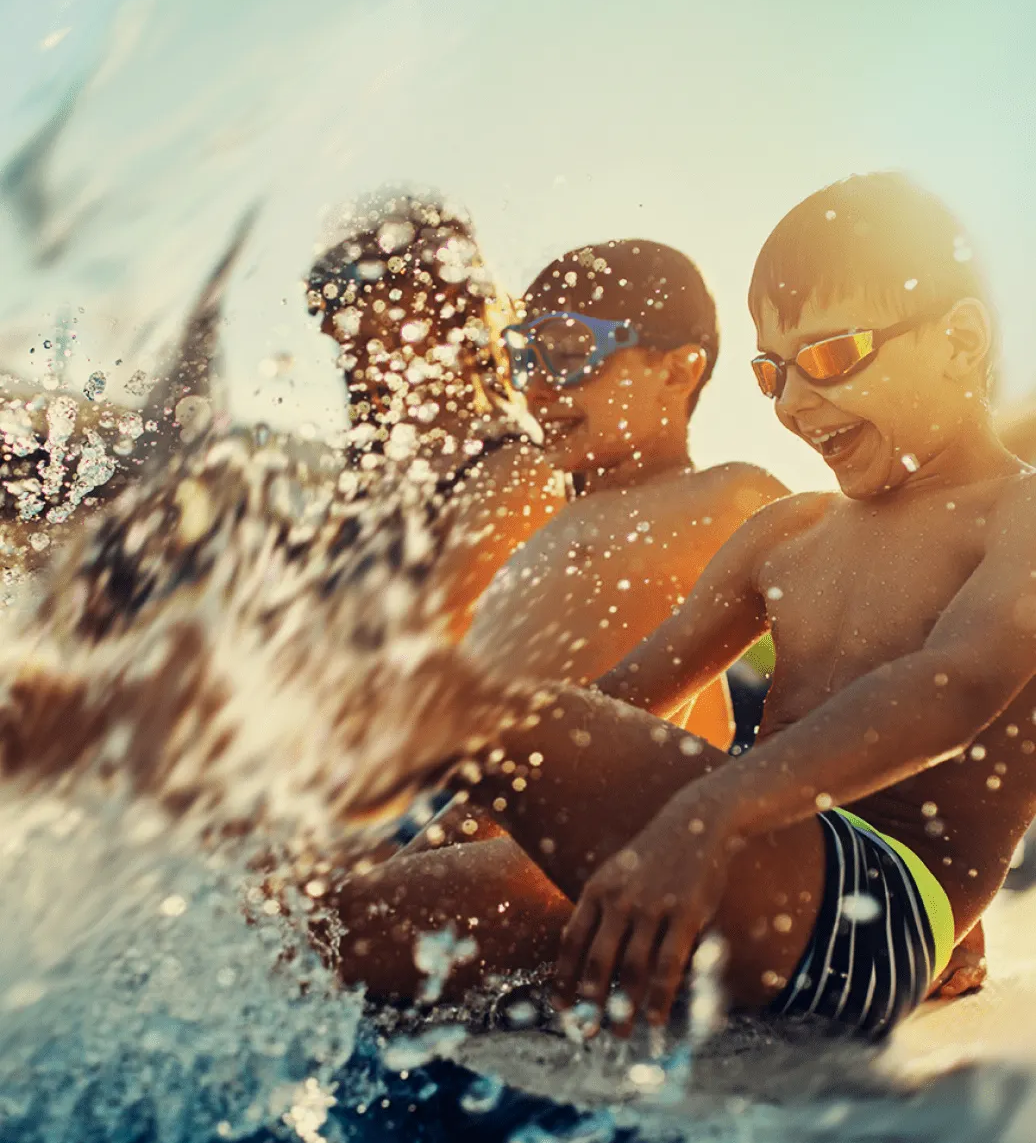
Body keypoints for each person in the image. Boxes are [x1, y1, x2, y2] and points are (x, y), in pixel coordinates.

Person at [325, 171, 1036, 1038]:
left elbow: (954, 685)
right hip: (740, 872)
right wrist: (421, 856)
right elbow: (616, 705)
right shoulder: (789, 535)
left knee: (480, 705)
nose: (794, 403)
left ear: (960, 342)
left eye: (830, 355)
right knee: (339, 928)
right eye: (772, 372)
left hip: (874, 909)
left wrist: (707, 813)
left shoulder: (1017, 510)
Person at [461, 239, 787, 750]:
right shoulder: (561, 517)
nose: (535, 388)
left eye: (568, 353)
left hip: (533, 812)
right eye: (524, 358)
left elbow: (854, 592)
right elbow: (695, 706)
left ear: (677, 372)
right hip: (476, 807)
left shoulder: (718, 498)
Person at [306, 190, 559, 637]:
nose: (330, 323)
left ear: (437, 286)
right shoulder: (376, 471)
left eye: (350, 281)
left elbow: (432, 664)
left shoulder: (513, 473)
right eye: (321, 295)